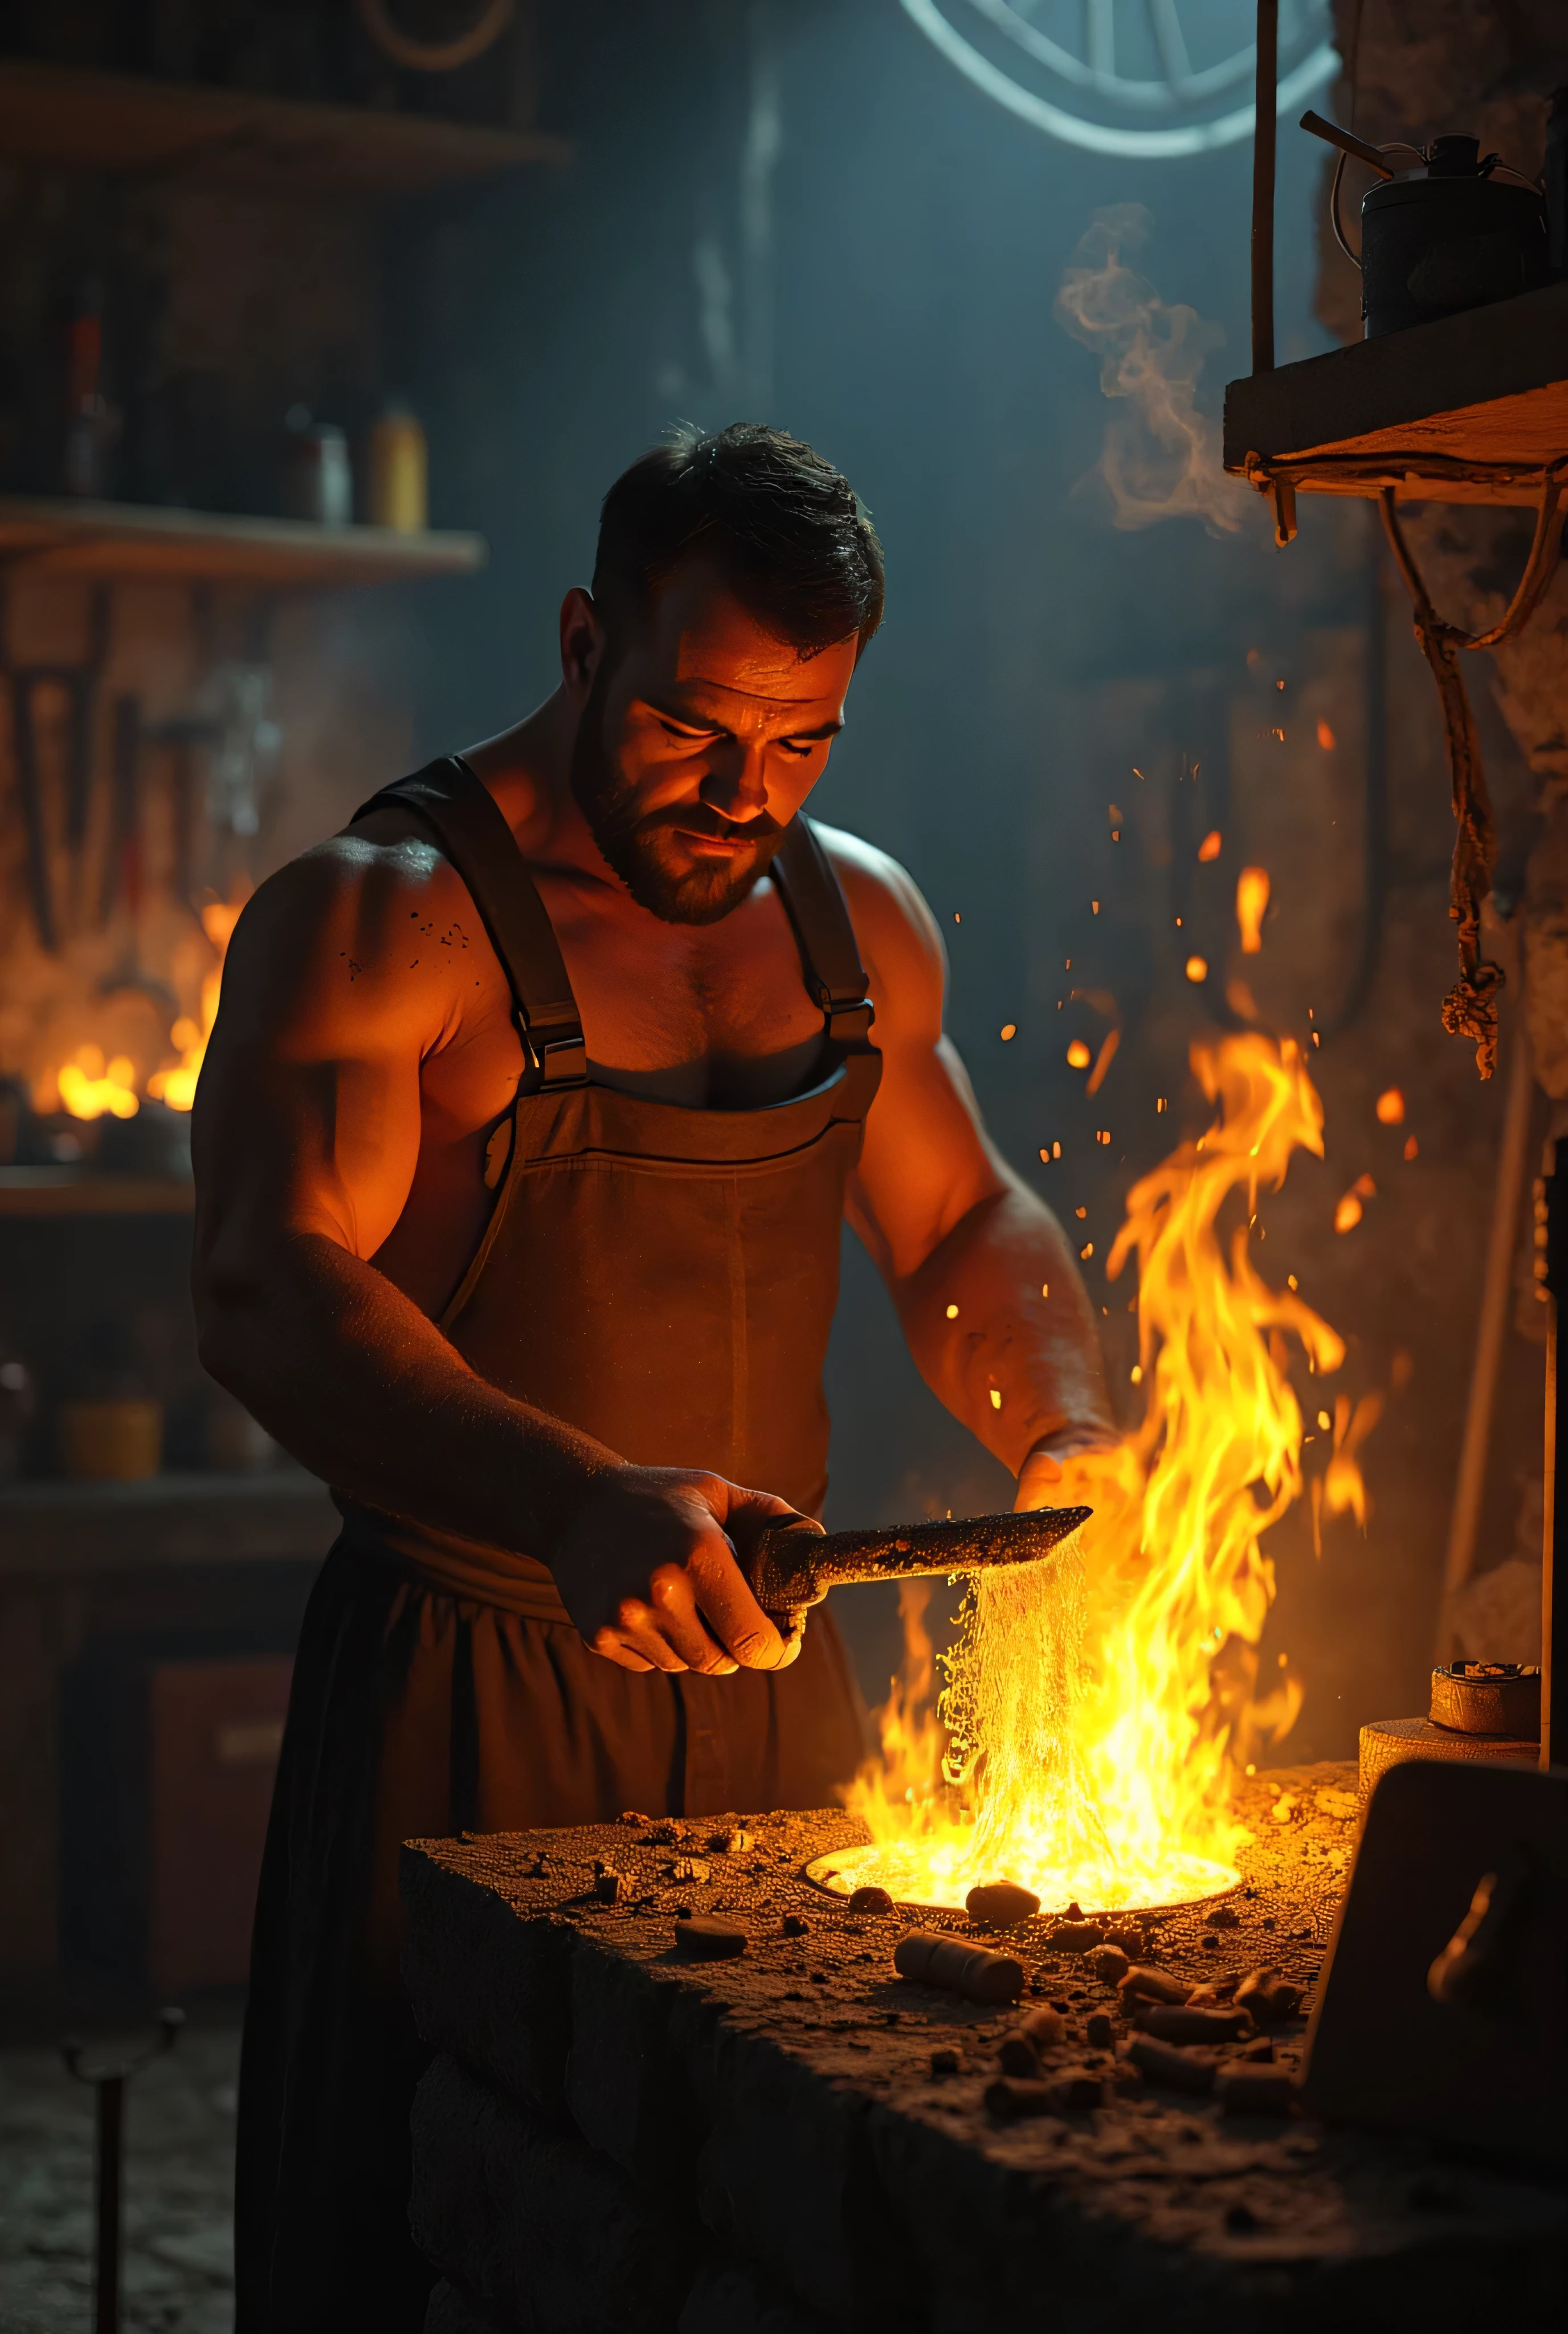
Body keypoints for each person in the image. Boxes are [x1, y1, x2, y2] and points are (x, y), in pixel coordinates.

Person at [194, 423, 1112, 2331]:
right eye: (698, 728)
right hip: (475, 1688)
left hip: (787, 1680)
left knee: (765, 2225)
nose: (743, 795)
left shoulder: (856, 926)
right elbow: (268, 1290)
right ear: (584, 638)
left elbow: (960, 1232)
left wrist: (1064, 1417)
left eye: (801, 746)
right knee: (420, 2225)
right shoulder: (381, 918)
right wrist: (567, 1501)